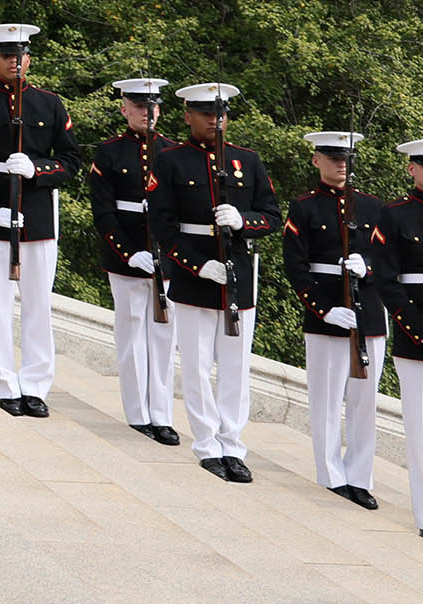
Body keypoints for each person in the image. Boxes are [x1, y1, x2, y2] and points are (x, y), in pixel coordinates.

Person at [148, 83, 280, 484]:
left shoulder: (248, 160)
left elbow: (271, 216)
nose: (214, 119)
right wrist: (195, 265)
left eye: (219, 112)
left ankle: (233, 445)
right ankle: (207, 444)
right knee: (197, 365)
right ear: (187, 115)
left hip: (238, 274)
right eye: (205, 112)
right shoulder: (170, 160)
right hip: (195, 277)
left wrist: (244, 221)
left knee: (236, 368)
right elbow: (162, 223)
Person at [0, 25, 81, 419]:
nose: (15, 61)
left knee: (37, 305)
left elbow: (70, 163)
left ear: (28, 58)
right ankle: (5, 382)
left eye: (21, 55)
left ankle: (35, 384)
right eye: (6, 55)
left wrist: (38, 169)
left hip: (37, 215)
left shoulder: (49, 104)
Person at [283, 131, 386, 510]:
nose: (340, 163)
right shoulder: (304, 208)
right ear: (317, 160)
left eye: (345, 157)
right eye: (332, 156)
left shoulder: (374, 207)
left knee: (364, 400)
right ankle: (330, 473)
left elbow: (390, 260)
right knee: (325, 400)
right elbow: (296, 266)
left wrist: (369, 266)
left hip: (369, 313)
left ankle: (360, 476)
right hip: (327, 313)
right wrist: (323, 309)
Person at [88, 78, 180, 445]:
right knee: (131, 334)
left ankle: (162, 413)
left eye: (152, 106)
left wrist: (170, 252)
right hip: (126, 255)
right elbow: (104, 212)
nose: (147, 112)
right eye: (139, 106)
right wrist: (128, 253)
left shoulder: (173, 153)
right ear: (124, 108)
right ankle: (138, 413)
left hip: (166, 258)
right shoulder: (109, 153)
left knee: (163, 337)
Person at [375, 139, 423, 535]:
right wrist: (416, 328)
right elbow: (386, 281)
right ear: (412, 169)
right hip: (416, 336)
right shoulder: (394, 215)